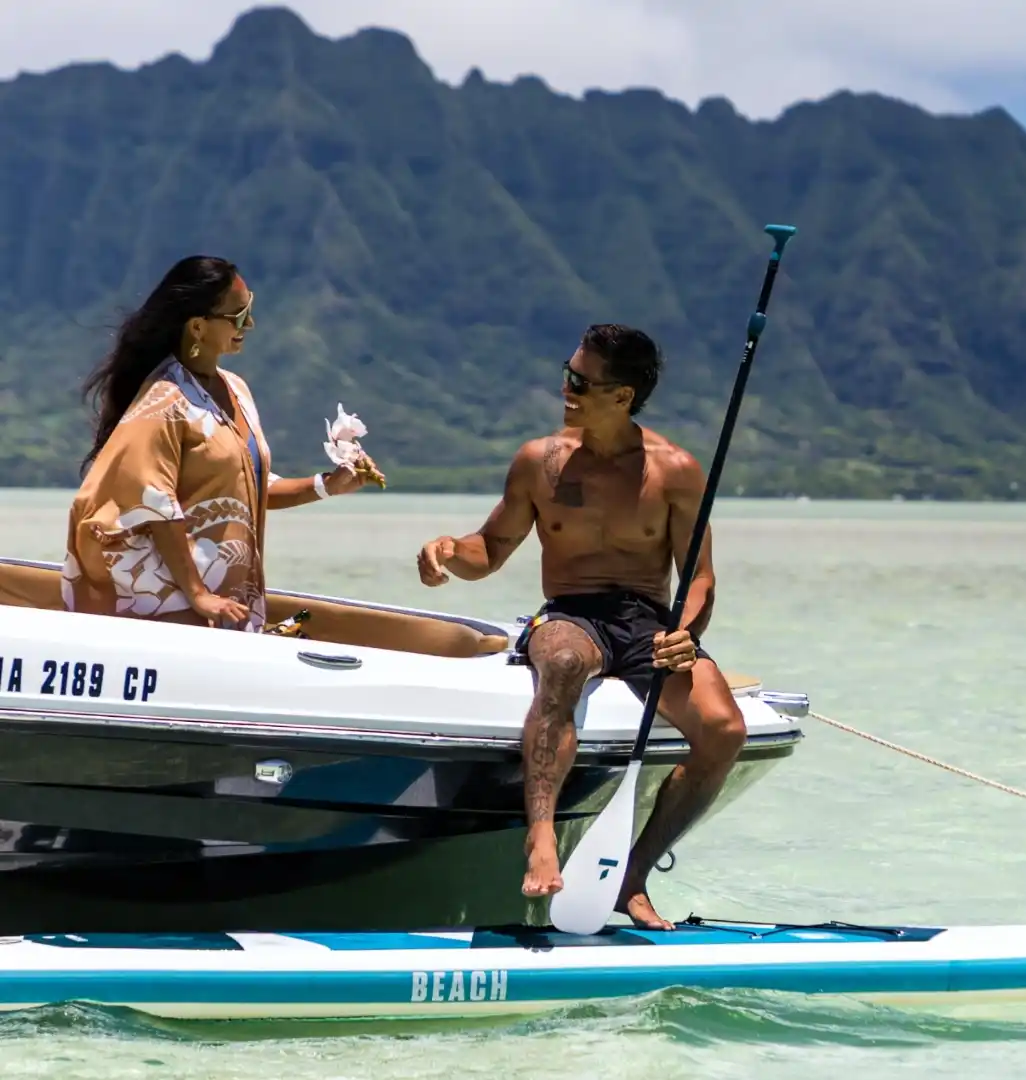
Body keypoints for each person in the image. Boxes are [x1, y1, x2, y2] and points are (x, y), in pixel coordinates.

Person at [416, 323, 746, 930]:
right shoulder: (540, 462)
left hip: (649, 621)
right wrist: (445, 550)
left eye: (580, 381)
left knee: (725, 730)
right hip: (570, 614)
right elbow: (489, 548)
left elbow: (700, 576)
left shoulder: (674, 471)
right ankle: (540, 837)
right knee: (563, 664)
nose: (565, 388)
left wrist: (687, 631)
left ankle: (632, 877)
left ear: (622, 396)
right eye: (568, 373)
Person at [63, 255, 384, 632]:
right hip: (175, 614)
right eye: (237, 315)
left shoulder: (236, 390)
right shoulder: (164, 402)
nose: (249, 323)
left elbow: (245, 489)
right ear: (198, 328)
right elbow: (155, 503)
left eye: (250, 308)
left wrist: (326, 486)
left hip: (228, 606)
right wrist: (197, 594)